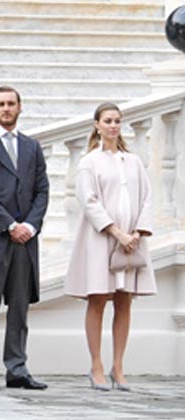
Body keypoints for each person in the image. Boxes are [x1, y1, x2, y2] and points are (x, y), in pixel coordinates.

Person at [65, 103, 155, 391]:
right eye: (108, 120)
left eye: (117, 120)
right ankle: (96, 366)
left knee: (124, 300)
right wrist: (117, 232)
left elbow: (147, 198)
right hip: (102, 239)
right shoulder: (89, 162)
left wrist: (137, 232)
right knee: (98, 298)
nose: (113, 125)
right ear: (97, 125)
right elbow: (88, 201)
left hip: (132, 241)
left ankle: (118, 366)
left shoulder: (134, 161)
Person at [0, 86, 50, 391]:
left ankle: (17, 368)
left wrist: (29, 225)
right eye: (0, 104)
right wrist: (9, 224)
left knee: (19, 307)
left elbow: (42, 189)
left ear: (20, 107)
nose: (6, 108)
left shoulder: (32, 147)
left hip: (25, 241)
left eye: (11, 103)